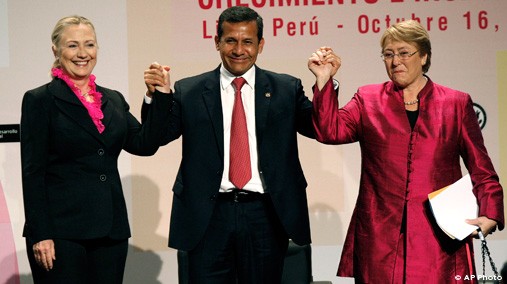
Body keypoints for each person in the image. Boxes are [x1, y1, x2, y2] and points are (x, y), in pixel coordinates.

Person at [143, 6, 333, 283]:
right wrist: (158, 96)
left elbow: (320, 129)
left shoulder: (285, 88)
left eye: (248, 42)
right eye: (230, 40)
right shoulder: (189, 90)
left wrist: (325, 83)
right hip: (208, 217)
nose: (239, 49)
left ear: (261, 45)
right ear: (217, 41)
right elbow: (155, 138)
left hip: (266, 215)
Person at [310, 20, 504, 283]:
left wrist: (491, 213)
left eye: (404, 53)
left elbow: (481, 168)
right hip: (379, 238)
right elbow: (329, 131)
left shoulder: (455, 103)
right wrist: (324, 80)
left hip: (438, 240)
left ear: (423, 56)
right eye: (388, 55)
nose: (395, 61)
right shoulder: (367, 99)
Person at [20, 15, 171, 283]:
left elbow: (144, 144)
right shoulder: (39, 100)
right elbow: (33, 173)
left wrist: (155, 96)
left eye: (89, 45)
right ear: (55, 50)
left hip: (110, 232)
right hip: (61, 232)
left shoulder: (112, 99)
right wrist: (41, 233)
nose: (82, 54)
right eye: (72, 45)